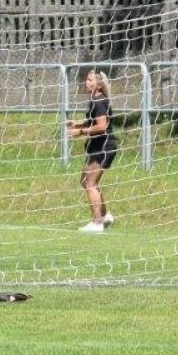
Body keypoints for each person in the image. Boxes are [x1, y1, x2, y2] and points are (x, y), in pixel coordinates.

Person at [68, 70, 117, 233]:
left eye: (90, 80)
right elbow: (92, 122)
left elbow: (102, 126)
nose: (86, 82)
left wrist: (81, 132)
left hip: (103, 146)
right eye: (86, 79)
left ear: (99, 84)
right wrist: (78, 124)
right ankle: (105, 216)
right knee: (85, 180)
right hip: (98, 146)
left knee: (90, 183)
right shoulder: (96, 100)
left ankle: (97, 223)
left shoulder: (99, 101)